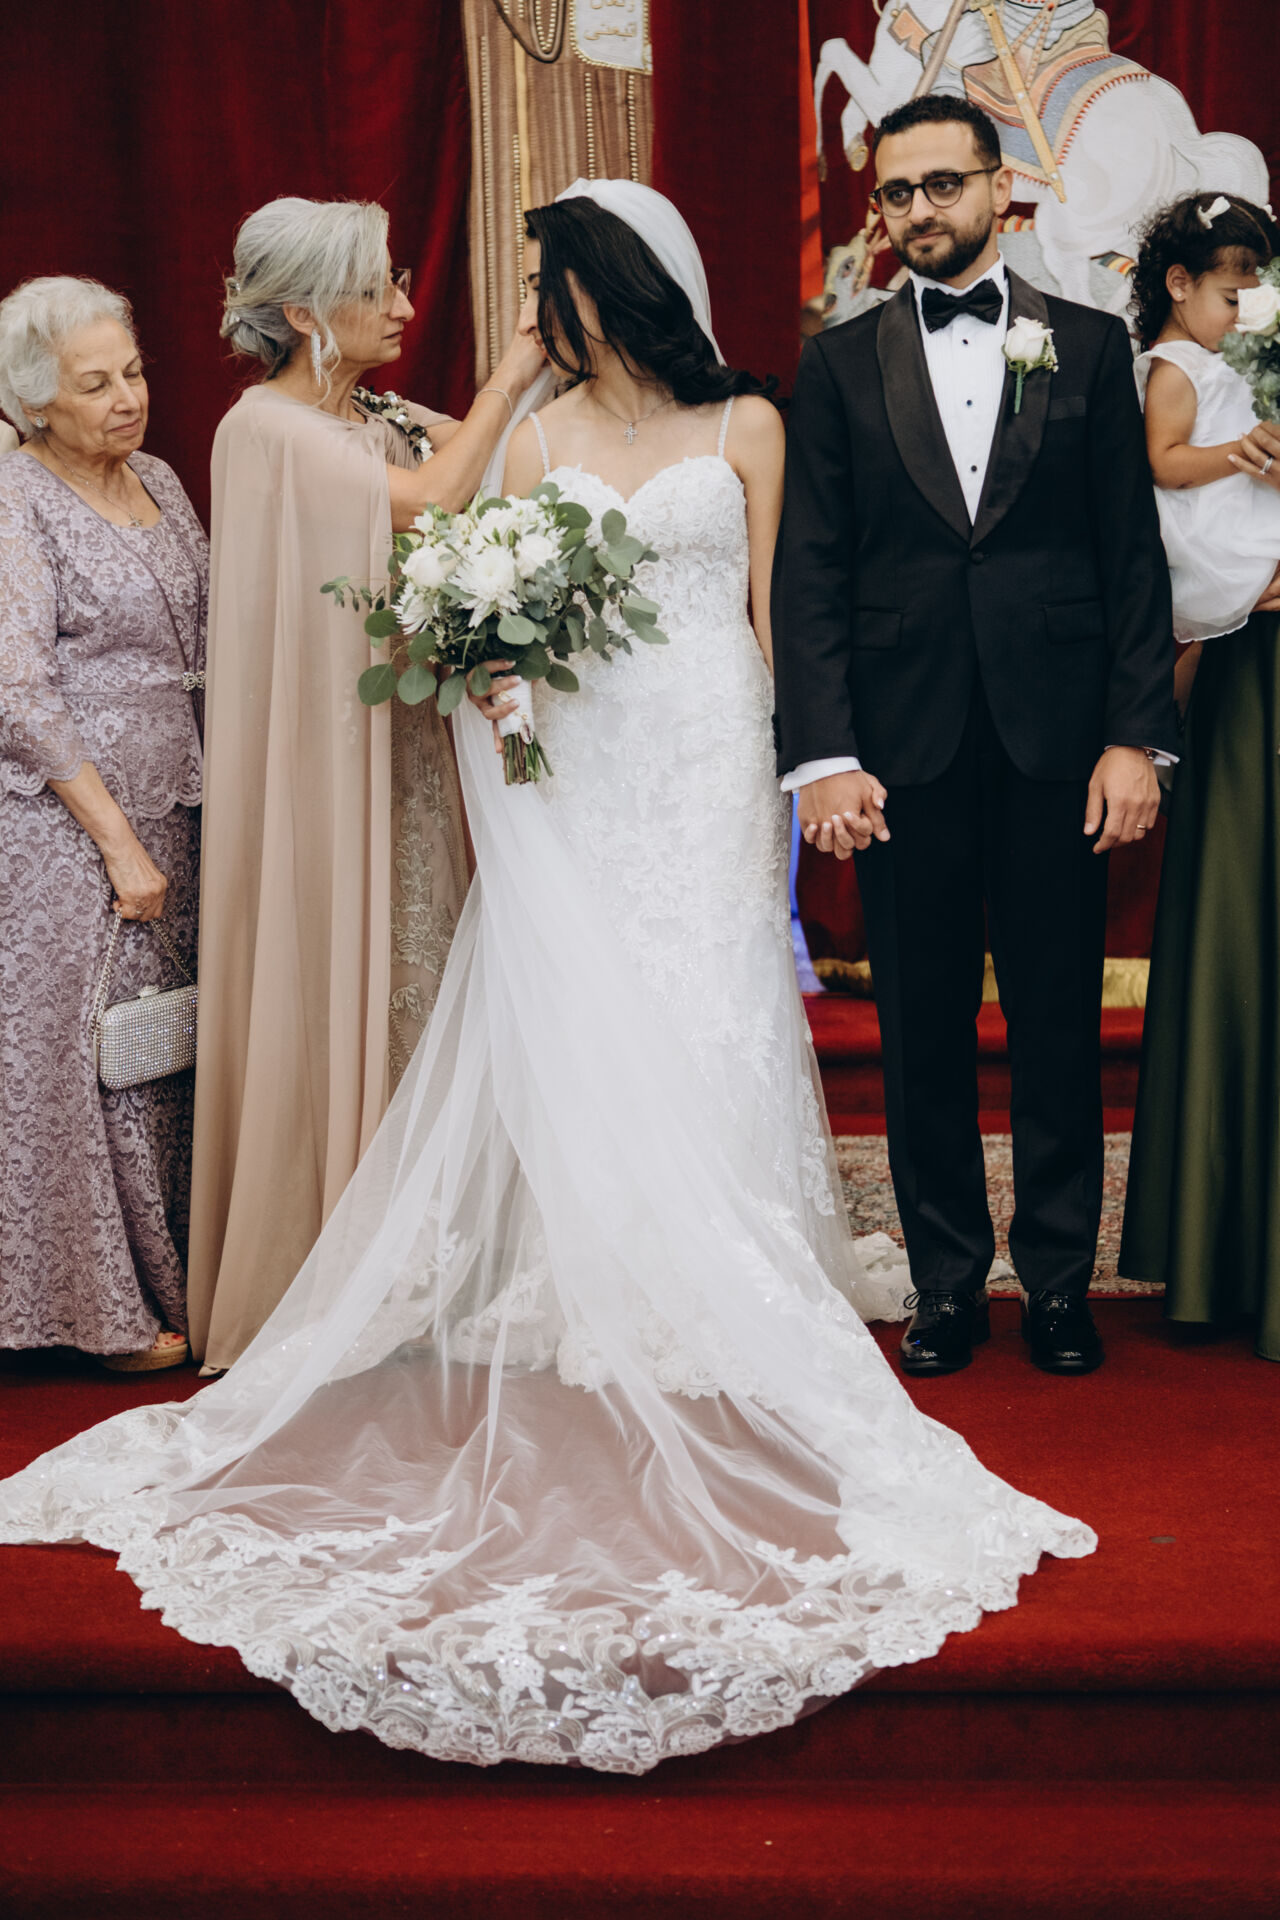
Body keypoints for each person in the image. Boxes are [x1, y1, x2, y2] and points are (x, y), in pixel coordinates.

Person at [0, 182, 1093, 1776]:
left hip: (705, 742)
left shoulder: (750, 424)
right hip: (573, 760)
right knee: (586, 997)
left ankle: (730, 1246)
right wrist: (503, 704)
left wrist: (811, 760)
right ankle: (596, 1258)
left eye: (549, 287)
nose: (526, 311)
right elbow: (474, 601)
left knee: (713, 985)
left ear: (613, 287)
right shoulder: (521, 429)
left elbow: (778, 612)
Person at [773, 94, 1178, 1379]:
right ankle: (945, 1282)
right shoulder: (837, 363)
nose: (917, 211)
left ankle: (1056, 1282)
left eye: (941, 185)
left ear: (1001, 190)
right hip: (901, 750)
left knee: (1056, 1018)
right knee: (921, 1027)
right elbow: (809, 570)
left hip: (1059, 742)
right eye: (896, 193)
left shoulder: (1088, 347)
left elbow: (1130, 558)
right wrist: (823, 754)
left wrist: (1134, 737)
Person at [189, 197, 547, 1372]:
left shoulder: (375, 414)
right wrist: (509, 371)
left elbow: (501, 471)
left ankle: (428, 1259)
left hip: (407, 750)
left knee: (422, 978)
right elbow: (435, 496)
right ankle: (323, 1266)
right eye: (376, 288)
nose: (403, 304)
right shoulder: (264, 427)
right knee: (337, 976)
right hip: (319, 762)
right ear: (301, 314)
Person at [0, 276, 207, 1370]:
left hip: (181, 803)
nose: (127, 397)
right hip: (68, 827)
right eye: (95, 384)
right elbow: (16, 691)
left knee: (161, 1047)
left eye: (132, 372)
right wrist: (115, 842)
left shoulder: (160, 479)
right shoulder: (14, 495)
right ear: (34, 402)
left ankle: (178, 1274)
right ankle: (96, 1314)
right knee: (88, 1063)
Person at [1119, 193, 1280, 1361]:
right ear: (1176, 285)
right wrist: (1247, 450)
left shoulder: (1232, 363)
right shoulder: (1174, 369)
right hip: (1228, 596)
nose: (1245, 304)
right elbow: (1165, 469)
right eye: (1230, 286)